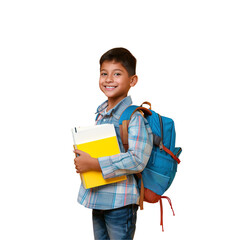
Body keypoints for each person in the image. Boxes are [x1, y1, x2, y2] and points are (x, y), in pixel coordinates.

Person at [74, 47, 153, 240]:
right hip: (98, 199)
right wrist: (83, 157)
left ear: (132, 80)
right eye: (104, 73)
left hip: (120, 203)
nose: (109, 79)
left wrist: (94, 163)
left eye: (117, 74)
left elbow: (137, 160)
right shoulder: (101, 114)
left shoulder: (134, 117)